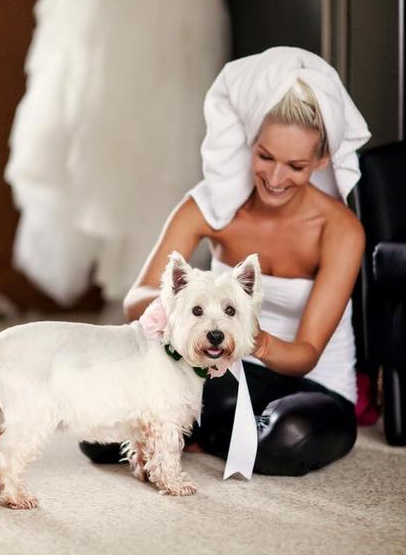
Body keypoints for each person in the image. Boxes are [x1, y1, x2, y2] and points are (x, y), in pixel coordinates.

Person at [80, 46, 371, 476]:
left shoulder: (341, 230)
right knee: (98, 434)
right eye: (265, 156)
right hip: (224, 371)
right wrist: (193, 311)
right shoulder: (210, 206)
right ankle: (215, 430)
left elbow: (306, 354)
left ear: (322, 160)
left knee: (287, 437)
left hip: (314, 388)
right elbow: (137, 298)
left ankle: (196, 434)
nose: (275, 179)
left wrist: (250, 338)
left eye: (295, 165)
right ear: (249, 141)